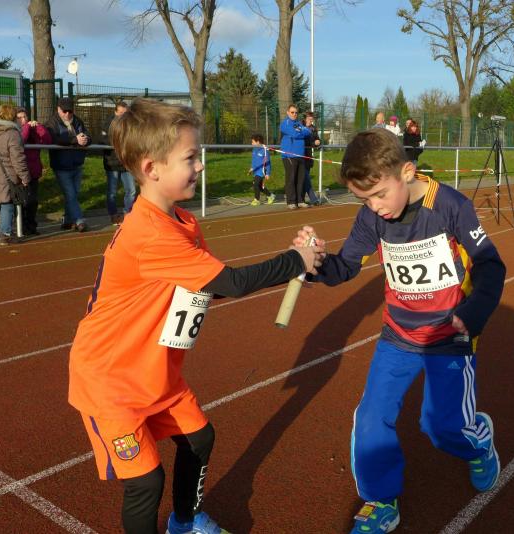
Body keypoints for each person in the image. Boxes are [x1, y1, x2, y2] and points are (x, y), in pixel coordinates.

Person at [67, 97, 324, 534]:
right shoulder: (151, 233)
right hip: (111, 380)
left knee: (199, 438)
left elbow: (208, 286)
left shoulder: (182, 222)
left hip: (154, 371)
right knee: (146, 481)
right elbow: (234, 283)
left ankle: (185, 523)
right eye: (190, 157)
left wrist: (299, 264)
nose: (200, 166)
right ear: (152, 169)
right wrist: (294, 261)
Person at [293, 128, 506, 534]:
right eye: (364, 200)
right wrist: (314, 262)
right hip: (398, 335)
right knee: (370, 420)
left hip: (449, 335)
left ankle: (478, 441)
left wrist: (474, 312)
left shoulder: (450, 206)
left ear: (406, 172)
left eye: (379, 195)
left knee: (442, 428)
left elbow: (490, 265)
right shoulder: (371, 217)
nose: (374, 207)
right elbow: (345, 267)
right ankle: (381, 500)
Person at [0, 104, 31, 246]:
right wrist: (25, 177)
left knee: (5, 203)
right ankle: (5, 234)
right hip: (7, 174)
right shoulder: (12, 134)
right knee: (8, 203)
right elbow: (18, 159)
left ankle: (6, 232)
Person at [46, 96, 91, 232]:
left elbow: (88, 135)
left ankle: (67, 220)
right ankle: (79, 220)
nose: (67, 114)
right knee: (70, 194)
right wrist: (74, 140)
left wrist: (86, 139)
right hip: (61, 165)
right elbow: (54, 139)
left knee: (73, 195)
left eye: (70, 111)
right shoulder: (52, 122)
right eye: (64, 111)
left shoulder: (78, 121)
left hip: (77, 164)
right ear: (58, 109)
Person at [15, 107, 51, 235]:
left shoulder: (32, 129)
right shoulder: (15, 132)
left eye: (25, 117)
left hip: (34, 171)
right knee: (24, 201)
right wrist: (26, 127)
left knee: (33, 201)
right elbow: (21, 140)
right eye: (20, 118)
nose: (24, 120)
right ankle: (22, 227)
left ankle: (31, 226)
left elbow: (47, 140)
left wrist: (38, 127)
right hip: (20, 172)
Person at [101, 101, 137, 225]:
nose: (123, 115)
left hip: (126, 162)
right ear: (115, 111)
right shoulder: (108, 123)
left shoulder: (130, 124)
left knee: (131, 190)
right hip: (112, 162)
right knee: (112, 192)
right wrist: (119, 144)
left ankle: (128, 213)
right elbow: (103, 140)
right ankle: (113, 215)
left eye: (125, 113)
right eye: (120, 113)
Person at [279, 104, 311, 209]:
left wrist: (300, 132)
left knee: (300, 179)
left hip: (300, 155)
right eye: (292, 112)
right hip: (289, 155)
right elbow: (294, 134)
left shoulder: (298, 124)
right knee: (291, 179)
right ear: (288, 112)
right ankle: (291, 201)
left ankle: (300, 200)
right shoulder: (285, 123)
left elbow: (308, 131)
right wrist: (301, 132)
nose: (294, 114)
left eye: (296, 112)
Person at [247, 133, 275, 206]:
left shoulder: (265, 150)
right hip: (256, 171)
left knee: (255, 184)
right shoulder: (254, 150)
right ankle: (270, 195)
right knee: (259, 186)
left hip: (261, 171)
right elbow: (254, 160)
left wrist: (268, 173)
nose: (251, 143)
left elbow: (268, 163)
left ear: (258, 142)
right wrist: (251, 168)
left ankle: (257, 200)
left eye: (253, 142)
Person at [302, 111, 321, 205]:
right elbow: (301, 141)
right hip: (300, 155)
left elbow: (317, 139)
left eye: (312, 119)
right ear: (305, 118)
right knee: (306, 178)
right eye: (309, 118)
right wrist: (313, 143)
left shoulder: (313, 128)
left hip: (308, 156)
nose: (311, 120)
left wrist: (318, 142)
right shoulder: (300, 126)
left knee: (304, 178)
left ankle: (301, 199)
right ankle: (313, 199)